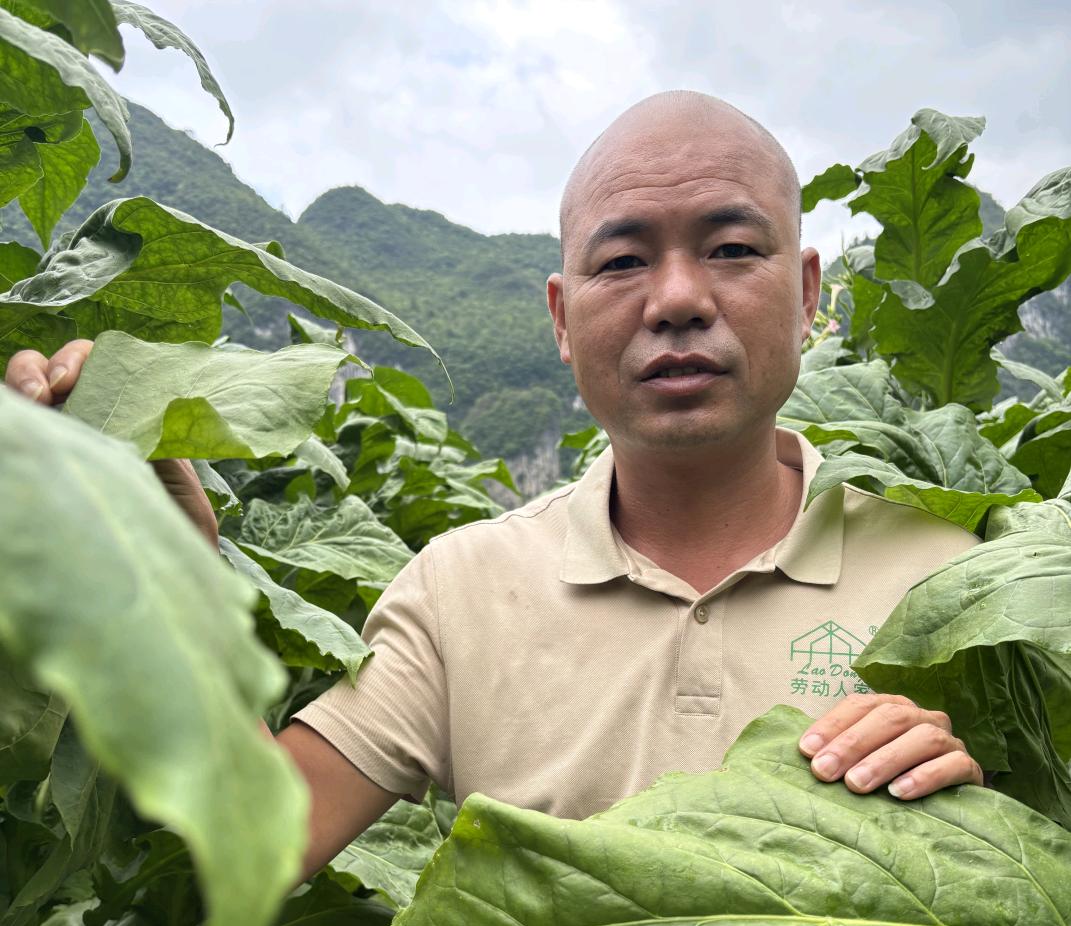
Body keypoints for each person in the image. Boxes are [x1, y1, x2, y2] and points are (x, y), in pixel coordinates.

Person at [5, 91, 984, 879]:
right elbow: (262, 831)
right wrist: (158, 570)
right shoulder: (459, 592)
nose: (678, 298)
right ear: (562, 318)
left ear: (809, 293)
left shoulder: (962, 583)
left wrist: (993, 803)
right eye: (623, 260)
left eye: (731, 250)